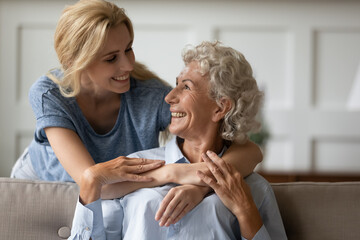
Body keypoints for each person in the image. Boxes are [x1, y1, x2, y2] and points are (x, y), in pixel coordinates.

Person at [10, 0, 263, 200]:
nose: (129, 64)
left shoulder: (149, 95)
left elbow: (249, 151)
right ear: (78, 63)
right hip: (42, 183)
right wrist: (172, 172)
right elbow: (93, 181)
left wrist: (201, 188)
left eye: (129, 48)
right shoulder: (49, 93)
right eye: (112, 58)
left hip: (120, 190)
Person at [69, 41, 287, 240]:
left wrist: (243, 209)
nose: (169, 97)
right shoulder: (136, 166)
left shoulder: (254, 188)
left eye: (186, 87)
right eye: (176, 85)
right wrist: (90, 180)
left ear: (221, 107)